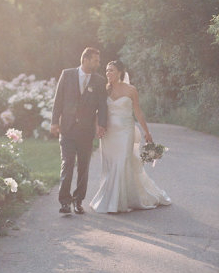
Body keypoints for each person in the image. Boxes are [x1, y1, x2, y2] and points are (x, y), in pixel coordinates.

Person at [89, 59, 171, 213]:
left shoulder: (131, 90)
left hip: (126, 131)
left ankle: (118, 202)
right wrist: (97, 127)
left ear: (120, 72)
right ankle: (112, 198)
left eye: (111, 70)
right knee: (110, 165)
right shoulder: (104, 89)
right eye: (106, 70)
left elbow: (138, 112)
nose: (108, 73)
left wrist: (147, 132)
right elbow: (98, 110)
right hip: (109, 133)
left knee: (123, 161)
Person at [50, 47, 108, 214]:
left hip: (86, 131)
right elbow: (58, 100)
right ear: (86, 59)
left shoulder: (99, 81)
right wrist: (54, 122)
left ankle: (78, 200)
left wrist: (101, 125)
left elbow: (102, 106)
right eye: (96, 60)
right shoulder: (67, 75)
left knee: (84, 167)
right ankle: (64, 202)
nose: (98, 63)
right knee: (67, 164)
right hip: (67, 129)